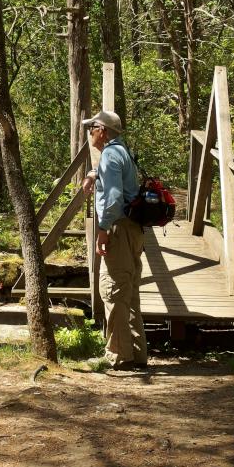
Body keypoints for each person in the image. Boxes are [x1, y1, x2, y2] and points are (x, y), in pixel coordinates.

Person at [82, 111, 148, 371]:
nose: (90, 133)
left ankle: (118, 356)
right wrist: (92, 173)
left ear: (103, 131)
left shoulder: (110, 153)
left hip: (118, 229)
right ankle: (135, 352)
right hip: (133, 230)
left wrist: (103, 229)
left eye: (92, 128)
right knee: (129, 292)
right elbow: (112, 175)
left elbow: (112, 198)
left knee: (114, 291)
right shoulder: (122, 151)